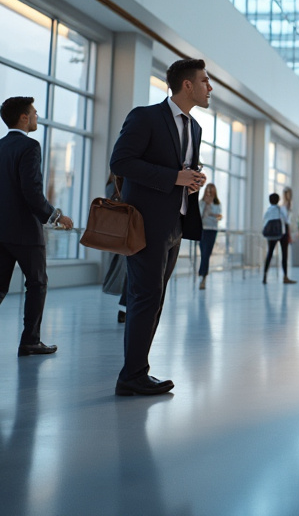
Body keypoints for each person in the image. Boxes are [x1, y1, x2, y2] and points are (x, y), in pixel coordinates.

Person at [109, 58, 209, 396]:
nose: (210, 88)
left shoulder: (194, 128)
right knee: (145, 297)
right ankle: (132, 375)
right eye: (205, 82)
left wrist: (192, 180)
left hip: (175, 225)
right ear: (188, 85)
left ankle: (135, 371)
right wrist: (174, 177)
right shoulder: (145, 117)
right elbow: (121, 161)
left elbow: (181, 170)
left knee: (155, 299)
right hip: (145, 224)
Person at [0, 97, 74, 363]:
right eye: (34, 113)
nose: (36, 117)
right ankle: (30, 341)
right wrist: (56, 216)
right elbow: (31, 192)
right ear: (23, 117)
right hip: (24, 232)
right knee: (37, 283)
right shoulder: (30, 146)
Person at [100, 172, 128, 322]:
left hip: (118, 232)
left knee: (125, 270)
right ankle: (124, 307)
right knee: (126, 270)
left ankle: (124, 307)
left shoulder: (111, 185)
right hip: (122, 233)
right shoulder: (116, 187)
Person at [262, 193, 293, 284]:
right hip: (282, 234)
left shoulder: (268, 211)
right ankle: (285, 277)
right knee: (284, 255)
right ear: (278, 200)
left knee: (270, 254)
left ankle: (265, 276)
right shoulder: (280, 210)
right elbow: (286, 221)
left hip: (271, 235)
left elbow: (264, 222)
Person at [198, 183, 222, 290]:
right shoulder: (202, 202)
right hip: (202, 229)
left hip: (212, 230)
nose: (209, 192)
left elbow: (218, 217)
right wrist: (206, 205)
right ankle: (203, 275)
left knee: (207, 253)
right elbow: (199, 215)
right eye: (208, 190)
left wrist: (211, 208)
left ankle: (203, 276)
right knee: (204, 252)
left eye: (211, 190)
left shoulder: (217, 203)